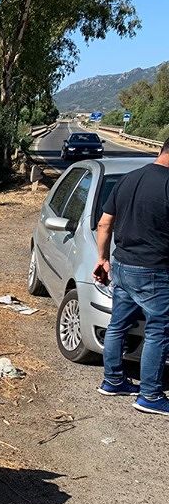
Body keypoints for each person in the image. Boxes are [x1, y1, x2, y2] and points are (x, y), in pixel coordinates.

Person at [94, 137, 169, 415]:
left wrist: (102, 259)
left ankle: (113, 381)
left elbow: (105, 222)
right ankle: (150, 395)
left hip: (122, 265)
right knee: (158, 331)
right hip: (155, 271)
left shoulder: (128, 179)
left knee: (117, 325)